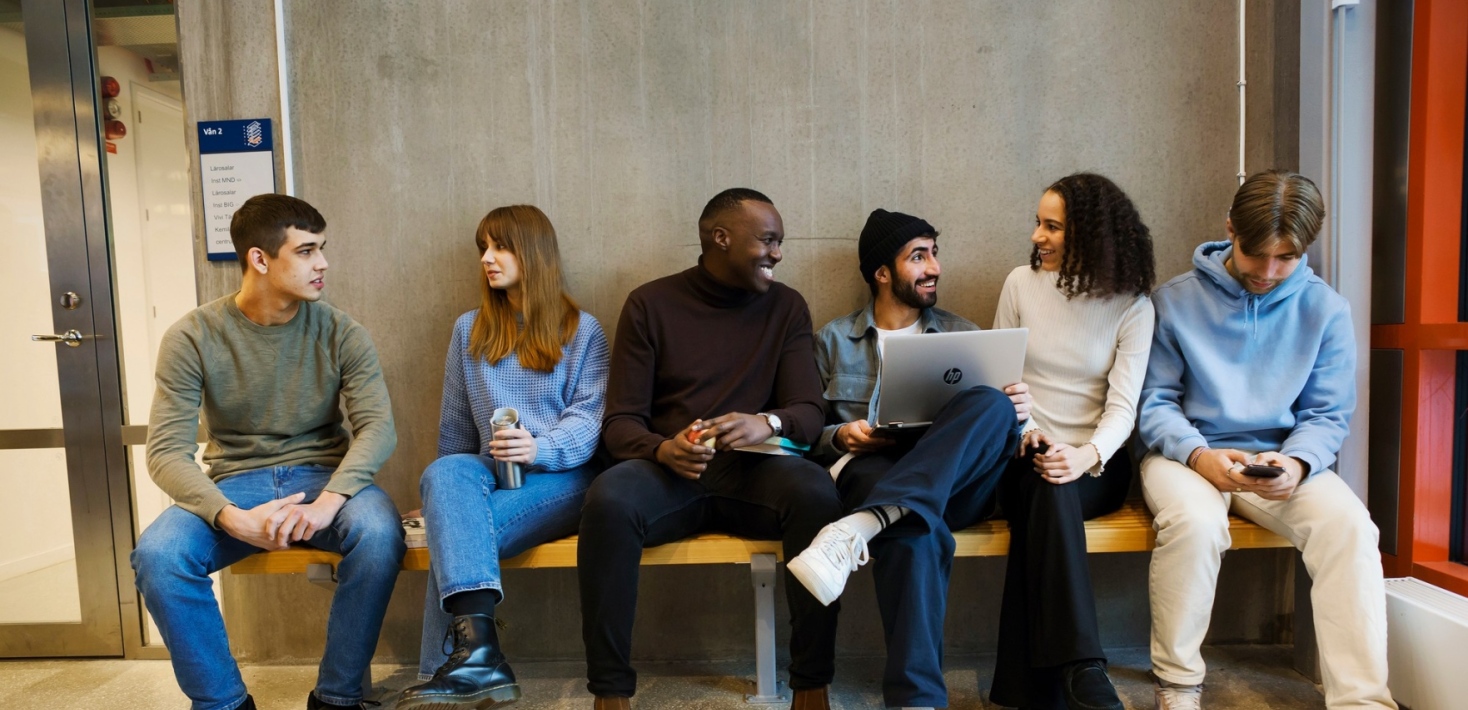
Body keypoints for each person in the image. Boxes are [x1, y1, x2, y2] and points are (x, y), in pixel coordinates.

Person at [133, 193, 404, 710]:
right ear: (260, 259)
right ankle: (223, 703)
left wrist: (330, 502)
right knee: (159, 555)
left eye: (322, 249)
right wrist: (230, 517)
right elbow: (166, 450)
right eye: (305, 251)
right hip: (234, 485)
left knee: (378, 532)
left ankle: (338, 697)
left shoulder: (341, 331)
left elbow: (377, 429)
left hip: (326, 477)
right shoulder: (192, 336)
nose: (322, 263)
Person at [1139, 170, 1395, 710]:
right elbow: (1154, 402)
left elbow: (1327, 414)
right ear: (1230, 229)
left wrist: (1298, 463)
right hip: (1185, 456)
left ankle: (1363, 701)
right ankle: (1179, 684)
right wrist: (1201, 456)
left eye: (1287, 258)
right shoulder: (1174, 301)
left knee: (1350, 527)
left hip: (1279, 459)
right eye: (1258, 255)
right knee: (1195, 523)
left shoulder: (1326, 310)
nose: (1269, 272)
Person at [577, 188, 842, 710]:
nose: (778, 253)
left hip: (754, 474)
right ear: (721, 238)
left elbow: (810, 414)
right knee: (608, 500)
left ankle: (812, 686)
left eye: (779, 242)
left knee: (816, 492)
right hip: (670, 474)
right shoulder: (650, 304)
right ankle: (610, 695)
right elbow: (620, 423)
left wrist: (766, 422)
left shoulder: (786, 307)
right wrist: (662, 449)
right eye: (768, 240)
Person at [783, 208, 1033, 710]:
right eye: (918, 256)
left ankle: (859, 527)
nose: (934, 267)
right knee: (916, 532)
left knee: (992, 402)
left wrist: (1016, 413)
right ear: (882, 272)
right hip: (871, 471)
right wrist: (840, 435)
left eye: (934, 253)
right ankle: (916, 701)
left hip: (956, 483)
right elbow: (806, 429)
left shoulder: (966, 336)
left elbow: (988, 434)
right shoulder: (832, 341)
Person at [397, 205, 609, 710]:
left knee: (459, 528)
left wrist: (540, 447)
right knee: (445, 477)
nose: (487, 259)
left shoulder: (583, 330)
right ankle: (477, 664)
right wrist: (438, 495)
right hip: (483, 471)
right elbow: (453, 425)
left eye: (500, 246)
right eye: (483, 249)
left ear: (532, 252)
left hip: (568, 476)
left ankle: (451, 670)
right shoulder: (469, 328)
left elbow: (589, 421)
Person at [989, 173, 1155, 710]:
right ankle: (1081, 666)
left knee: (1054, 485)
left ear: (1090, 234)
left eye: (1052, 226)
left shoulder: (1133, 306)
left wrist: (1084, 456)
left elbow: (1123, 408)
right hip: (1021, 453)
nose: (1037, 235)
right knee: (1043, 477)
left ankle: (1048, 681)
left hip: (1097, 466)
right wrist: (1028, 432)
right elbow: (999, 380)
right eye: (1038, 222)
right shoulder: (1020, 284)